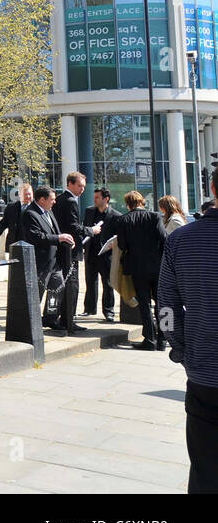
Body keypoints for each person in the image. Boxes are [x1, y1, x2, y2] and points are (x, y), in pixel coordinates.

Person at [158, 164, 218, 494]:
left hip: (204, 372)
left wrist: (179, 346)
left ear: (211, 188)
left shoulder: (181, 240)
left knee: (205, 467)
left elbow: (166, 307)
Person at [103, 191, 167, 350]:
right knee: (162, 303)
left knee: (144, 304)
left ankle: (150, 339)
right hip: (157, 266)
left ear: (128, 204)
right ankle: (163, 340)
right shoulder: (154, 216)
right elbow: (164, 238)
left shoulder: (123, 220)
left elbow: (123, 245)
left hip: (137, 268)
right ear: (142, 202)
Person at [21, 186, 80, 333]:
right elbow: (36, 236)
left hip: (54, 262)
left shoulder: (48, 212)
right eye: (52, 200)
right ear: (42, 200)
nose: (54, 202)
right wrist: (59, 238)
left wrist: (66, 241)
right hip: (40, 262)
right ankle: (31, 321)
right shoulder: (30, 214)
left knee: (57, 288)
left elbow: (56, 231)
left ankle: (50, 317)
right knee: (38, 293)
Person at [54, 173, 89, 318]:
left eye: (84, 187)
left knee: (62, 284)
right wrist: (91, 230)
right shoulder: (70, 201)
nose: (82, 190)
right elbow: (74, 227)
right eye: (79, 186)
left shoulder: (61, 199)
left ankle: (58, 315)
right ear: (70, 184)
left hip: (61, 249)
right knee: (72, 285)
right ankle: (69, 318)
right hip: (70, 250)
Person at [82, 188, 119, 321]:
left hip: (106, 255)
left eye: (97, 197)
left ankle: (109, 311)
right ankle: (89, 309)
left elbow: (118, 236)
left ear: (106, 199)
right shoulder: (89, 211)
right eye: (95, 197)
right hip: (91, 252)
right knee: (90, 282)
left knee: (108, 283)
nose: (94, 199)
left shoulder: (115, 215)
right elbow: (85, 229)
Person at [0, 182, 33, 255]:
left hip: (30, 243)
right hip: (14, 242)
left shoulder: (35, 207)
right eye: (25, 194)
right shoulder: (11, 207)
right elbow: (4, 222)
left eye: (29, 194)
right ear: (20, 195)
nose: (28, 196)